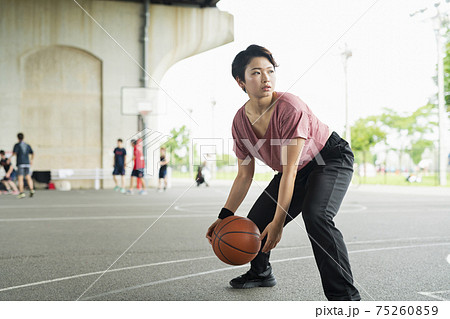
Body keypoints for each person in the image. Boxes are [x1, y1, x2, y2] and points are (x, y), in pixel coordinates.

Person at [205, 45, 360, 301]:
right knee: (253, 224)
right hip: (296, 170)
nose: (266, 78)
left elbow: (288, 173)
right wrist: (224, 216)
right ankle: (261, 272)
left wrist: (278, 224)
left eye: (270, 71)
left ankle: (345, 300)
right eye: (256, 73)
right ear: (240, 81)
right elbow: (245, 175)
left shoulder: (290, 107)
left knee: (316, 216)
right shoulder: (240, 122)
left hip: (329, 159)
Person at [10, 133, 35, 199]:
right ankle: (32, 189)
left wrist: (10, 158)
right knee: (28, 177)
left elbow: (14, 153)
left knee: (20, 178)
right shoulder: (27, 145)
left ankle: (21, 192)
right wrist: (31, 160)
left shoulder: (17, 145)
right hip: (27, 163)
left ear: (18, 138)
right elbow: (32, 153)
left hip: (20, 163)